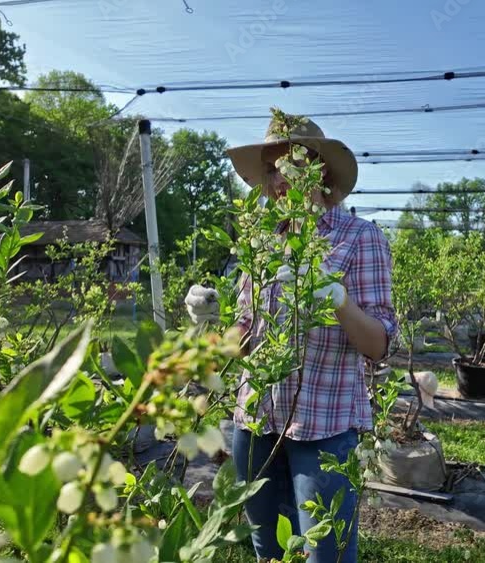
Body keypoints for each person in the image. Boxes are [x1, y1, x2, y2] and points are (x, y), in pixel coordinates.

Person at [185, 115, 397, 562]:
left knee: (326, 552)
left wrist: (336, 296)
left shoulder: (361, 239)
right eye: (271, 169)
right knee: (267, 545)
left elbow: (378, 345)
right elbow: (246, 331)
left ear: (318, 170)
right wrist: (206, 329)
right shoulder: (262, 243)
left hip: (325, 424)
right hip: (256, 420)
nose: (277, 180)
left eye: (288, 165)